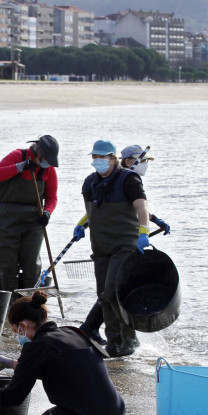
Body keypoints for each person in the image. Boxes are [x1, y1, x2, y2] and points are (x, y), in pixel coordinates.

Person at [73, 139, 164, 358]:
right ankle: (114, 343)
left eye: (103, 157)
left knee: (114, 291)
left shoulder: (129, 179)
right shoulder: (89, 183)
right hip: (100, 245)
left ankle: (129, 339)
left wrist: (144, 231)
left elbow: (141, 206)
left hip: (124, 244)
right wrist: (81, 224)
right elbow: (94, 209)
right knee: (103, 295)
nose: (98, 161)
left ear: (113, 158)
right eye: (95, 157)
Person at [0, 135, 60, 292]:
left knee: (31, 264)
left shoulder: (49, 169)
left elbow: (52, 198)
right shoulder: (17, 156)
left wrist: (47, 212)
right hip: (6, 217)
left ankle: (28, 303)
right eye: (46, 158)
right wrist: (20, 167)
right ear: (38, 151)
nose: (47, 162)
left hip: (34, 220)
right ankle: (10, 303)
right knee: (8, 263)